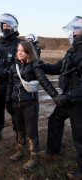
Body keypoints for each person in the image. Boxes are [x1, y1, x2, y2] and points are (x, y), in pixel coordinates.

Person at [33, 16, 82, 179]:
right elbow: (59, 67)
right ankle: (53, 152)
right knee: (55, 120)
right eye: (73, 30)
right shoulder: (72, 52)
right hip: (67, 99)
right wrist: (44, 66)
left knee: (79, 136)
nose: (73, 33)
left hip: (78, 102)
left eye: (76, 30)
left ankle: (81, 170)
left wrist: (67, 96)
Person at [6, 41, 58, 169]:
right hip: (15, 103)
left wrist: (55, 96)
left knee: (31, 131)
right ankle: (21, 150)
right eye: (18, 50)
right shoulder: (14, 66)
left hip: (29, 103)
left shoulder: (34, 66)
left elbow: (44, 81)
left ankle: (34, 155)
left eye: (22, 50)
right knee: (19, 129)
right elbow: (10, 85)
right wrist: (8, 100)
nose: (19, 52)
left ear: (29, 53)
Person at [0, 13, 23, 143]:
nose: (5, 27)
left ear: (13, 27)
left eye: (8, 25)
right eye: (3, 25)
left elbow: (23, 61)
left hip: (13, 83)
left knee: (14, 109)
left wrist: (10, 72)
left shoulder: (20, 43)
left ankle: (18, 134)